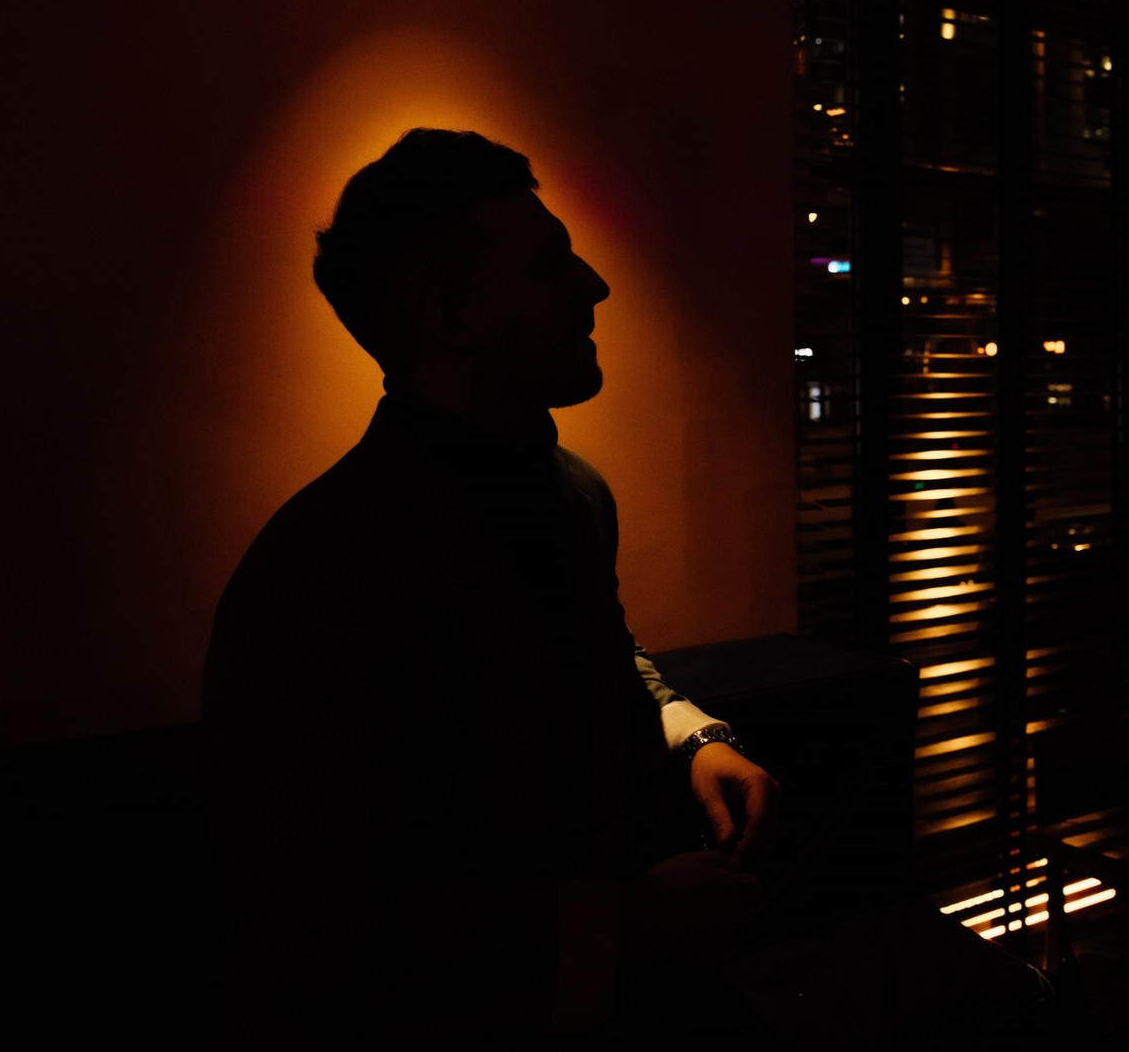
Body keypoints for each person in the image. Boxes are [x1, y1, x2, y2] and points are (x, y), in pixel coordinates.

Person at [200, 128, 782, 1043]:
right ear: (454, 318)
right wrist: (624, 919)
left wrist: (690, 735)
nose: (596, 285)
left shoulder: (577, 493)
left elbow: (599, 646)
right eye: (550, 265)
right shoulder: (316, 571)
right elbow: (321, 919)